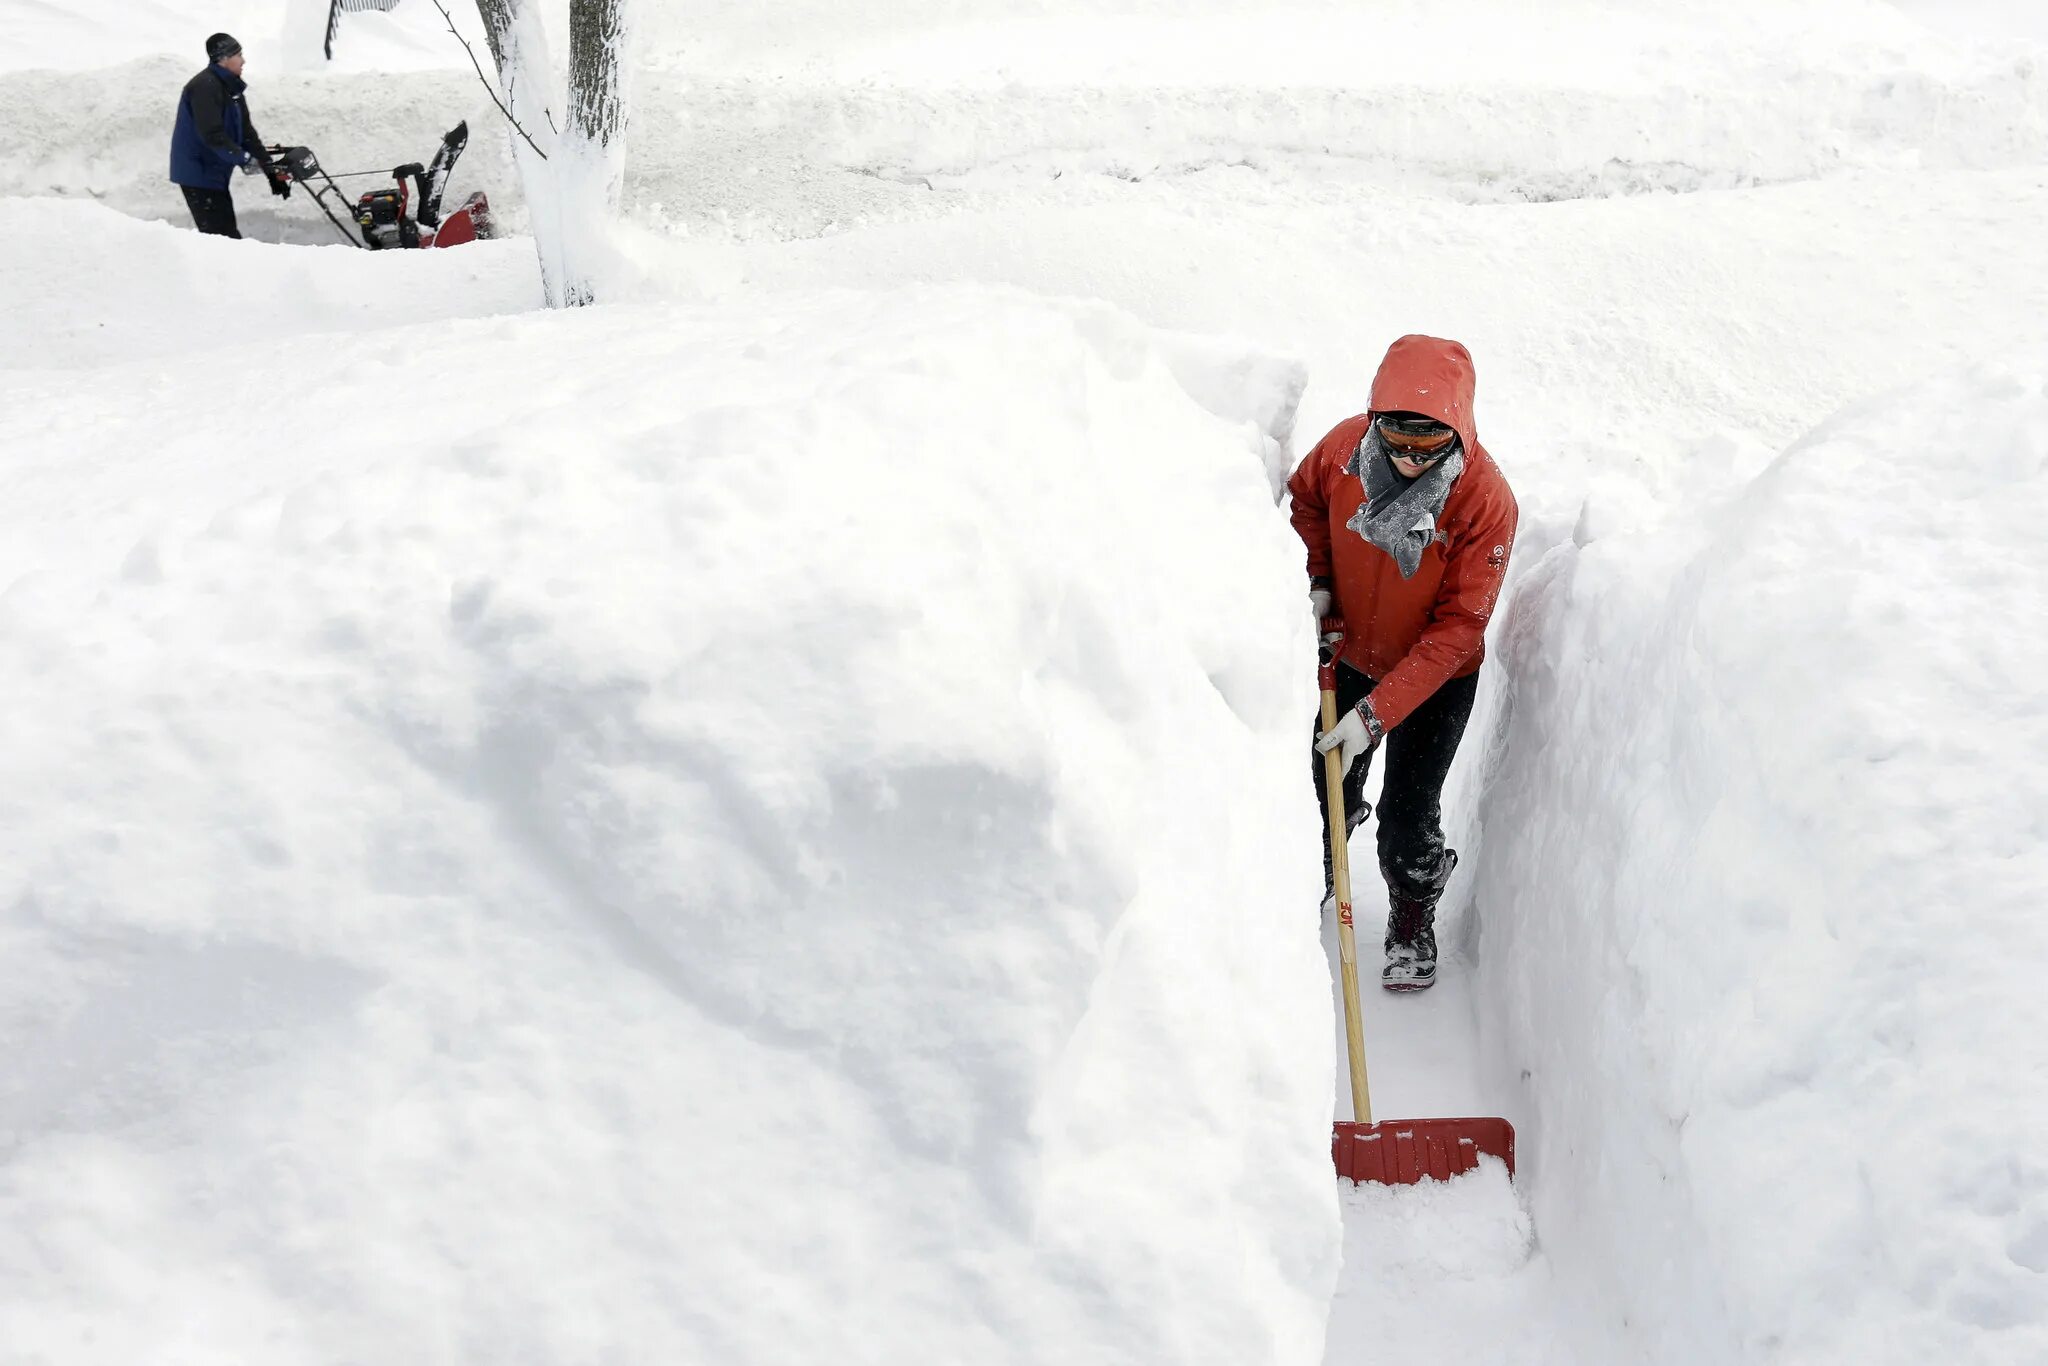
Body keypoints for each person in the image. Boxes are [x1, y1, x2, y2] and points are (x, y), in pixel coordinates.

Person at [1287, 335, 1518, 991]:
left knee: (1409, 813)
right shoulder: (1341, 454)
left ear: (1459, 432)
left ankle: (1412, 921)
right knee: (1325, 782)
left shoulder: (1484, 500)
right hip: (1349, 651)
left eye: (1429, 447)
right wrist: (1319, 590)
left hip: (1438, 677)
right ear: (1373, 419)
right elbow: (1304, 502)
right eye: (1397, 442)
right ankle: (1322, 872)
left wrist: (1376, 714)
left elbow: (1459, 625)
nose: (1411, 460)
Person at [168, 32, 288, 238]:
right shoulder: (204, 87)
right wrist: (244, 159)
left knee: (223, 237)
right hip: (198, 173)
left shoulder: (230, 88)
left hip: (214, 173)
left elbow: (247, 134)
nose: (243, 61)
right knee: (224, 238)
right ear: (223, 59)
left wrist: (271, 171)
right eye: (238, 55)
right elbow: (212, 134)